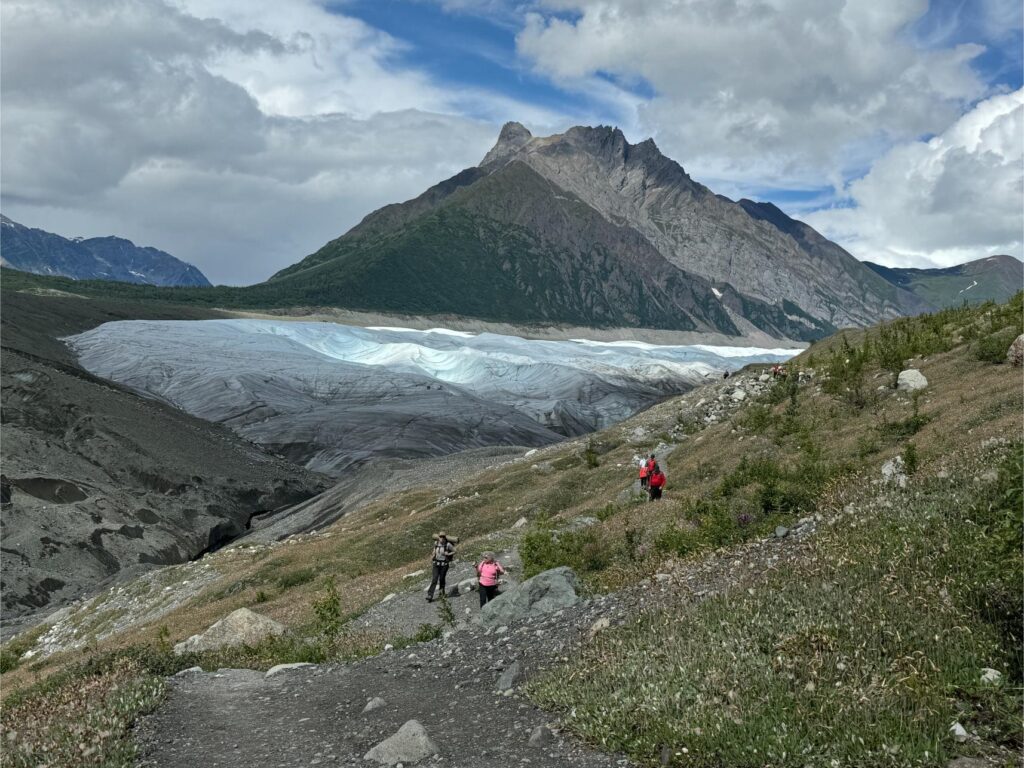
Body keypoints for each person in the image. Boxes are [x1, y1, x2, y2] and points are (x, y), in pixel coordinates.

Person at [426, 532, 456, 602]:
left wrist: (448, 553)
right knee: (434, 579)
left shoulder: (448, 544)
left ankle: (442, 594)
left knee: (442, 579)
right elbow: (434, 551)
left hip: (444, 565)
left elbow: (455, 551)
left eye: (443, 537)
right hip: (436, 564)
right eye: (440, 537)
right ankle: (430, 595)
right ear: (438, 537)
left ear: (445, 538)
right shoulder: (436, 543)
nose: (441, 538)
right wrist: (433, 554)